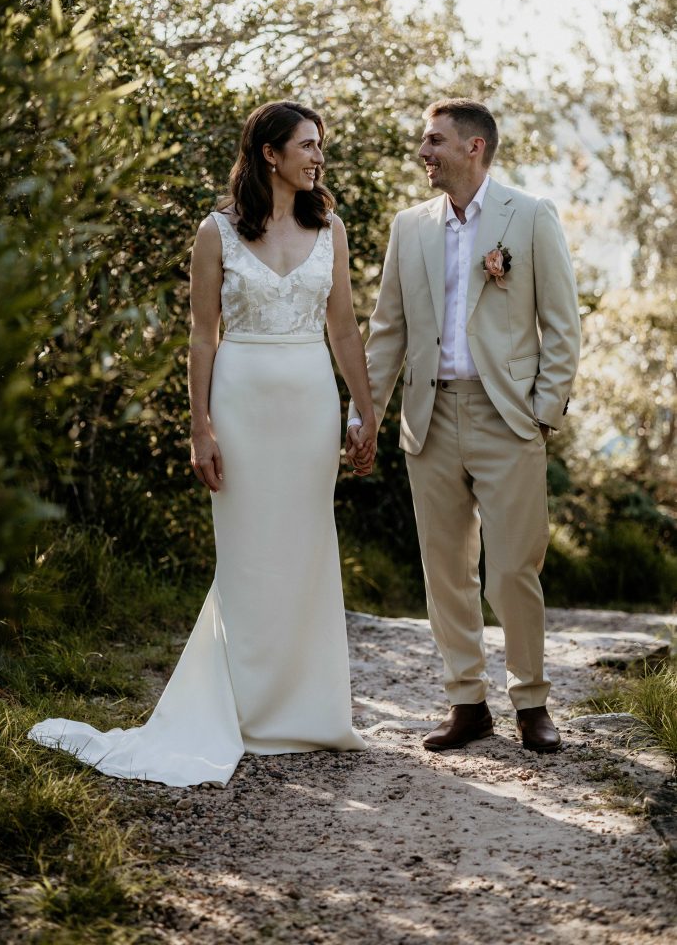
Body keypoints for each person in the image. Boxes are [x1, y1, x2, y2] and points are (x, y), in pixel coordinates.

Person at [29, 100, 376, 786]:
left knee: (305, 549)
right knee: (247, 555)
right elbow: (202, 335)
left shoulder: (329, 227)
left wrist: (363, 410)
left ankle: (305, 712)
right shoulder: (215, 232)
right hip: (240, 403)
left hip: (310, 402)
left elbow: (342, 329)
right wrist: (200, 425)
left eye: (321, 148)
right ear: (269, 154)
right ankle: (240, 709)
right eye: (307, 146)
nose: (318, 158)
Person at [348, 98, 580, 753]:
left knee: (511, 569)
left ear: (472, 147)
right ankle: (466, 703)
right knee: (445, 568)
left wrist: (542, 412)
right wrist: (364, 413)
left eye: (433, 141)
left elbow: (562, 327)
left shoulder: (528, 217)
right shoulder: (409, 226)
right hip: (428, 416)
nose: (422, 153)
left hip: (505, 417)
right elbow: (387, 330)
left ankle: (531, 702)